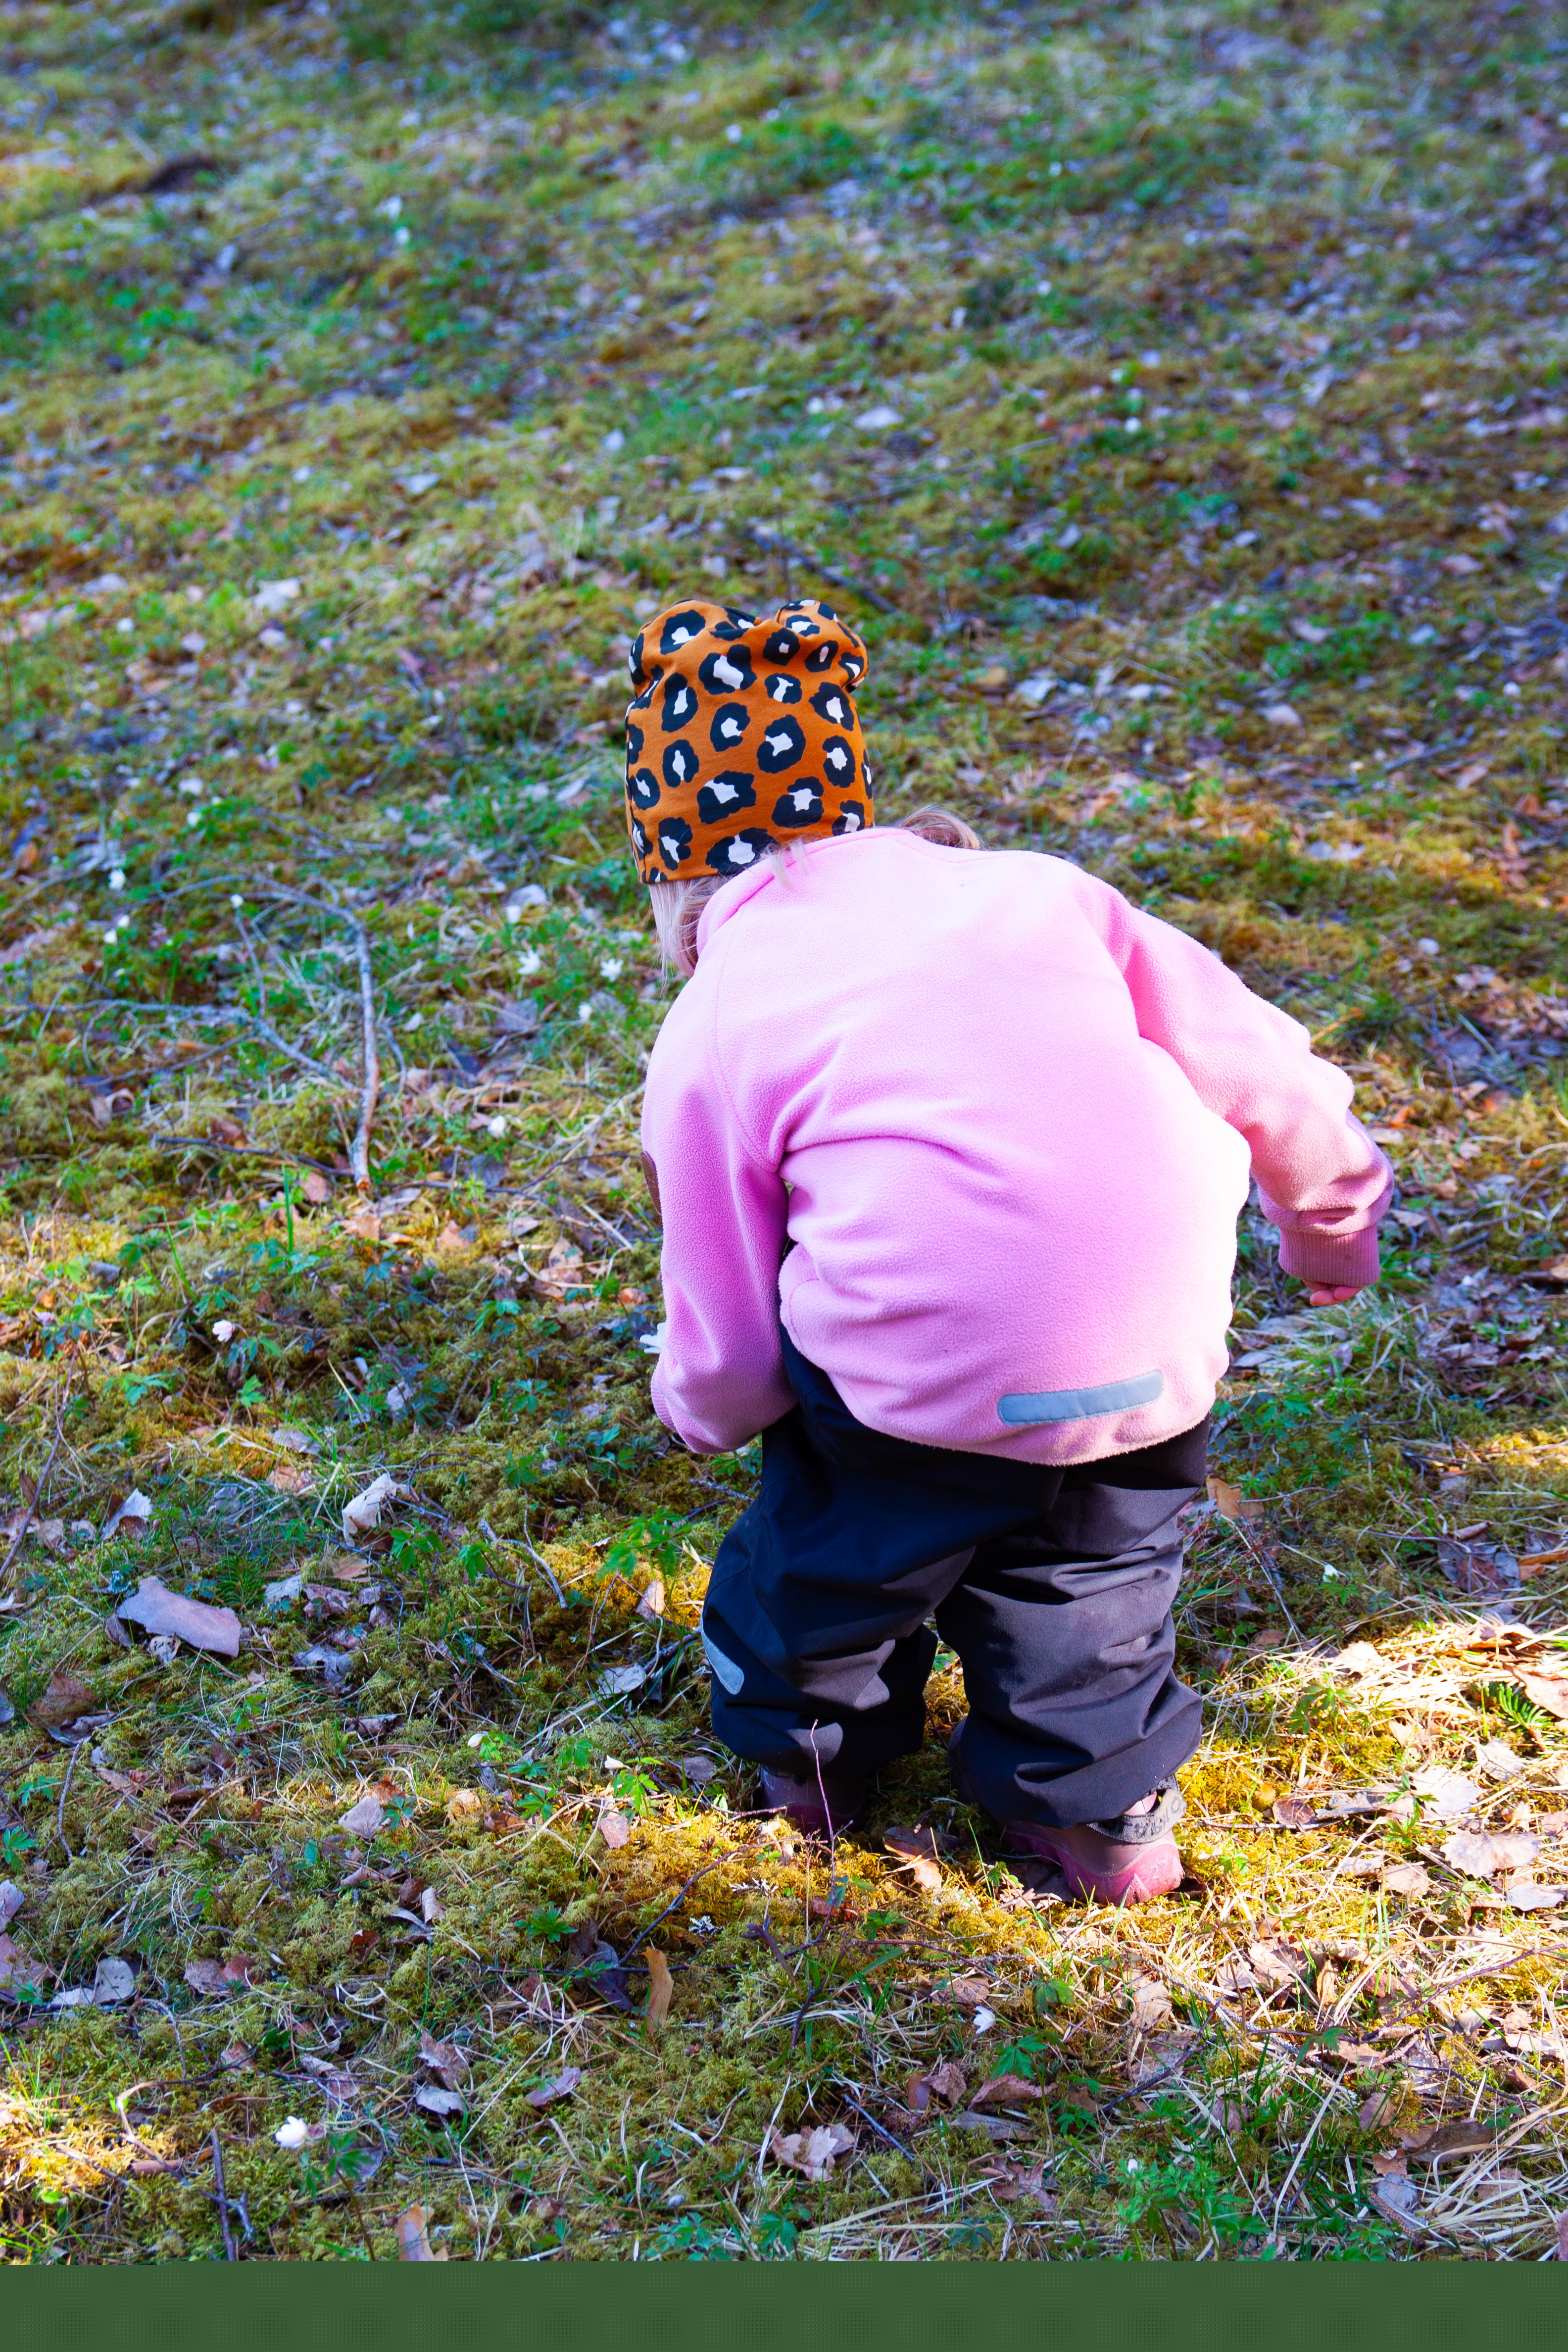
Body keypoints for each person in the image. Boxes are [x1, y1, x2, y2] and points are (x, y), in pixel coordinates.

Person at [627, 594, 1389, 1906]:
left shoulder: (720, 1016)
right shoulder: (1050, 897)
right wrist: (1334, 1225)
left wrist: (712, 1414)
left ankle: (812, 1769)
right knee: (1093, 1592)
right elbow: (1266, 1068)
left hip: (916, 1399)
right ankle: (1108, 1825)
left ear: (678, 881)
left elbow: (731, 1316)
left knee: (820, 1572)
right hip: (1146, 1365)